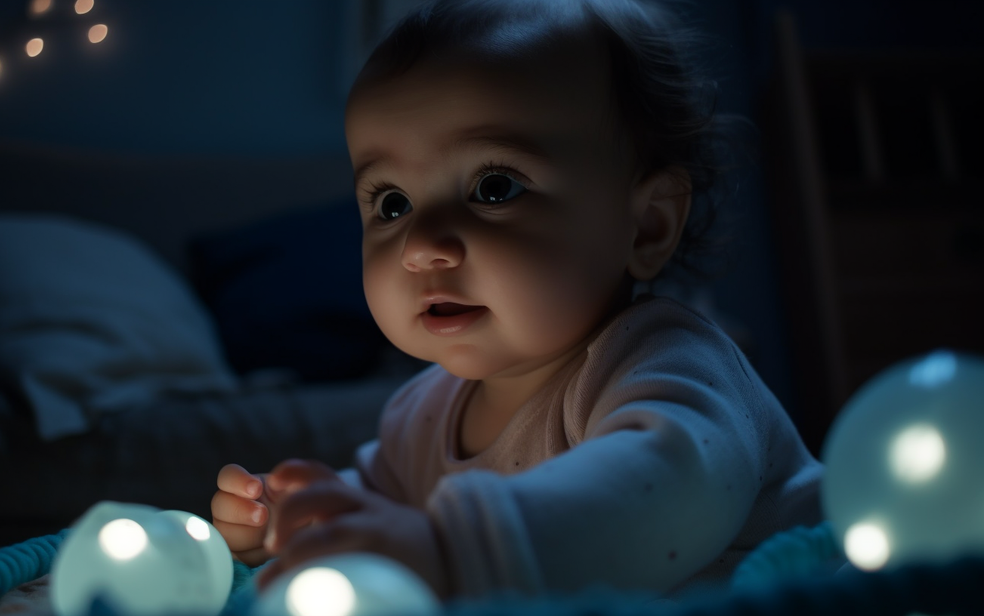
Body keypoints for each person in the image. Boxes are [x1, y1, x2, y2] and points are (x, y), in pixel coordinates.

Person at [211, 0, 822, 600]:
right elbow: (388, 510)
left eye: (493, 187)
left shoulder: (665, 360)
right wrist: (302, 520)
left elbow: (668, 485)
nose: (421, 246)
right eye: (391, 203)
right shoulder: (418, 415)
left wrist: (450, 552)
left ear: (647, 226)